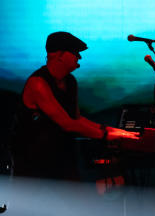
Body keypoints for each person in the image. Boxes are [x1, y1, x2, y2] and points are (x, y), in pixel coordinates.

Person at [11, 31, 137, 179]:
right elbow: (67, 124)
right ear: (59, 55)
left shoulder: (70, 81)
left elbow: (76, 119)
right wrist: (106, 135)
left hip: (62, 159)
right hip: (33, 166)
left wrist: (114, 131)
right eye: (75, 53)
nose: (79, 57)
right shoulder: (38, 84)